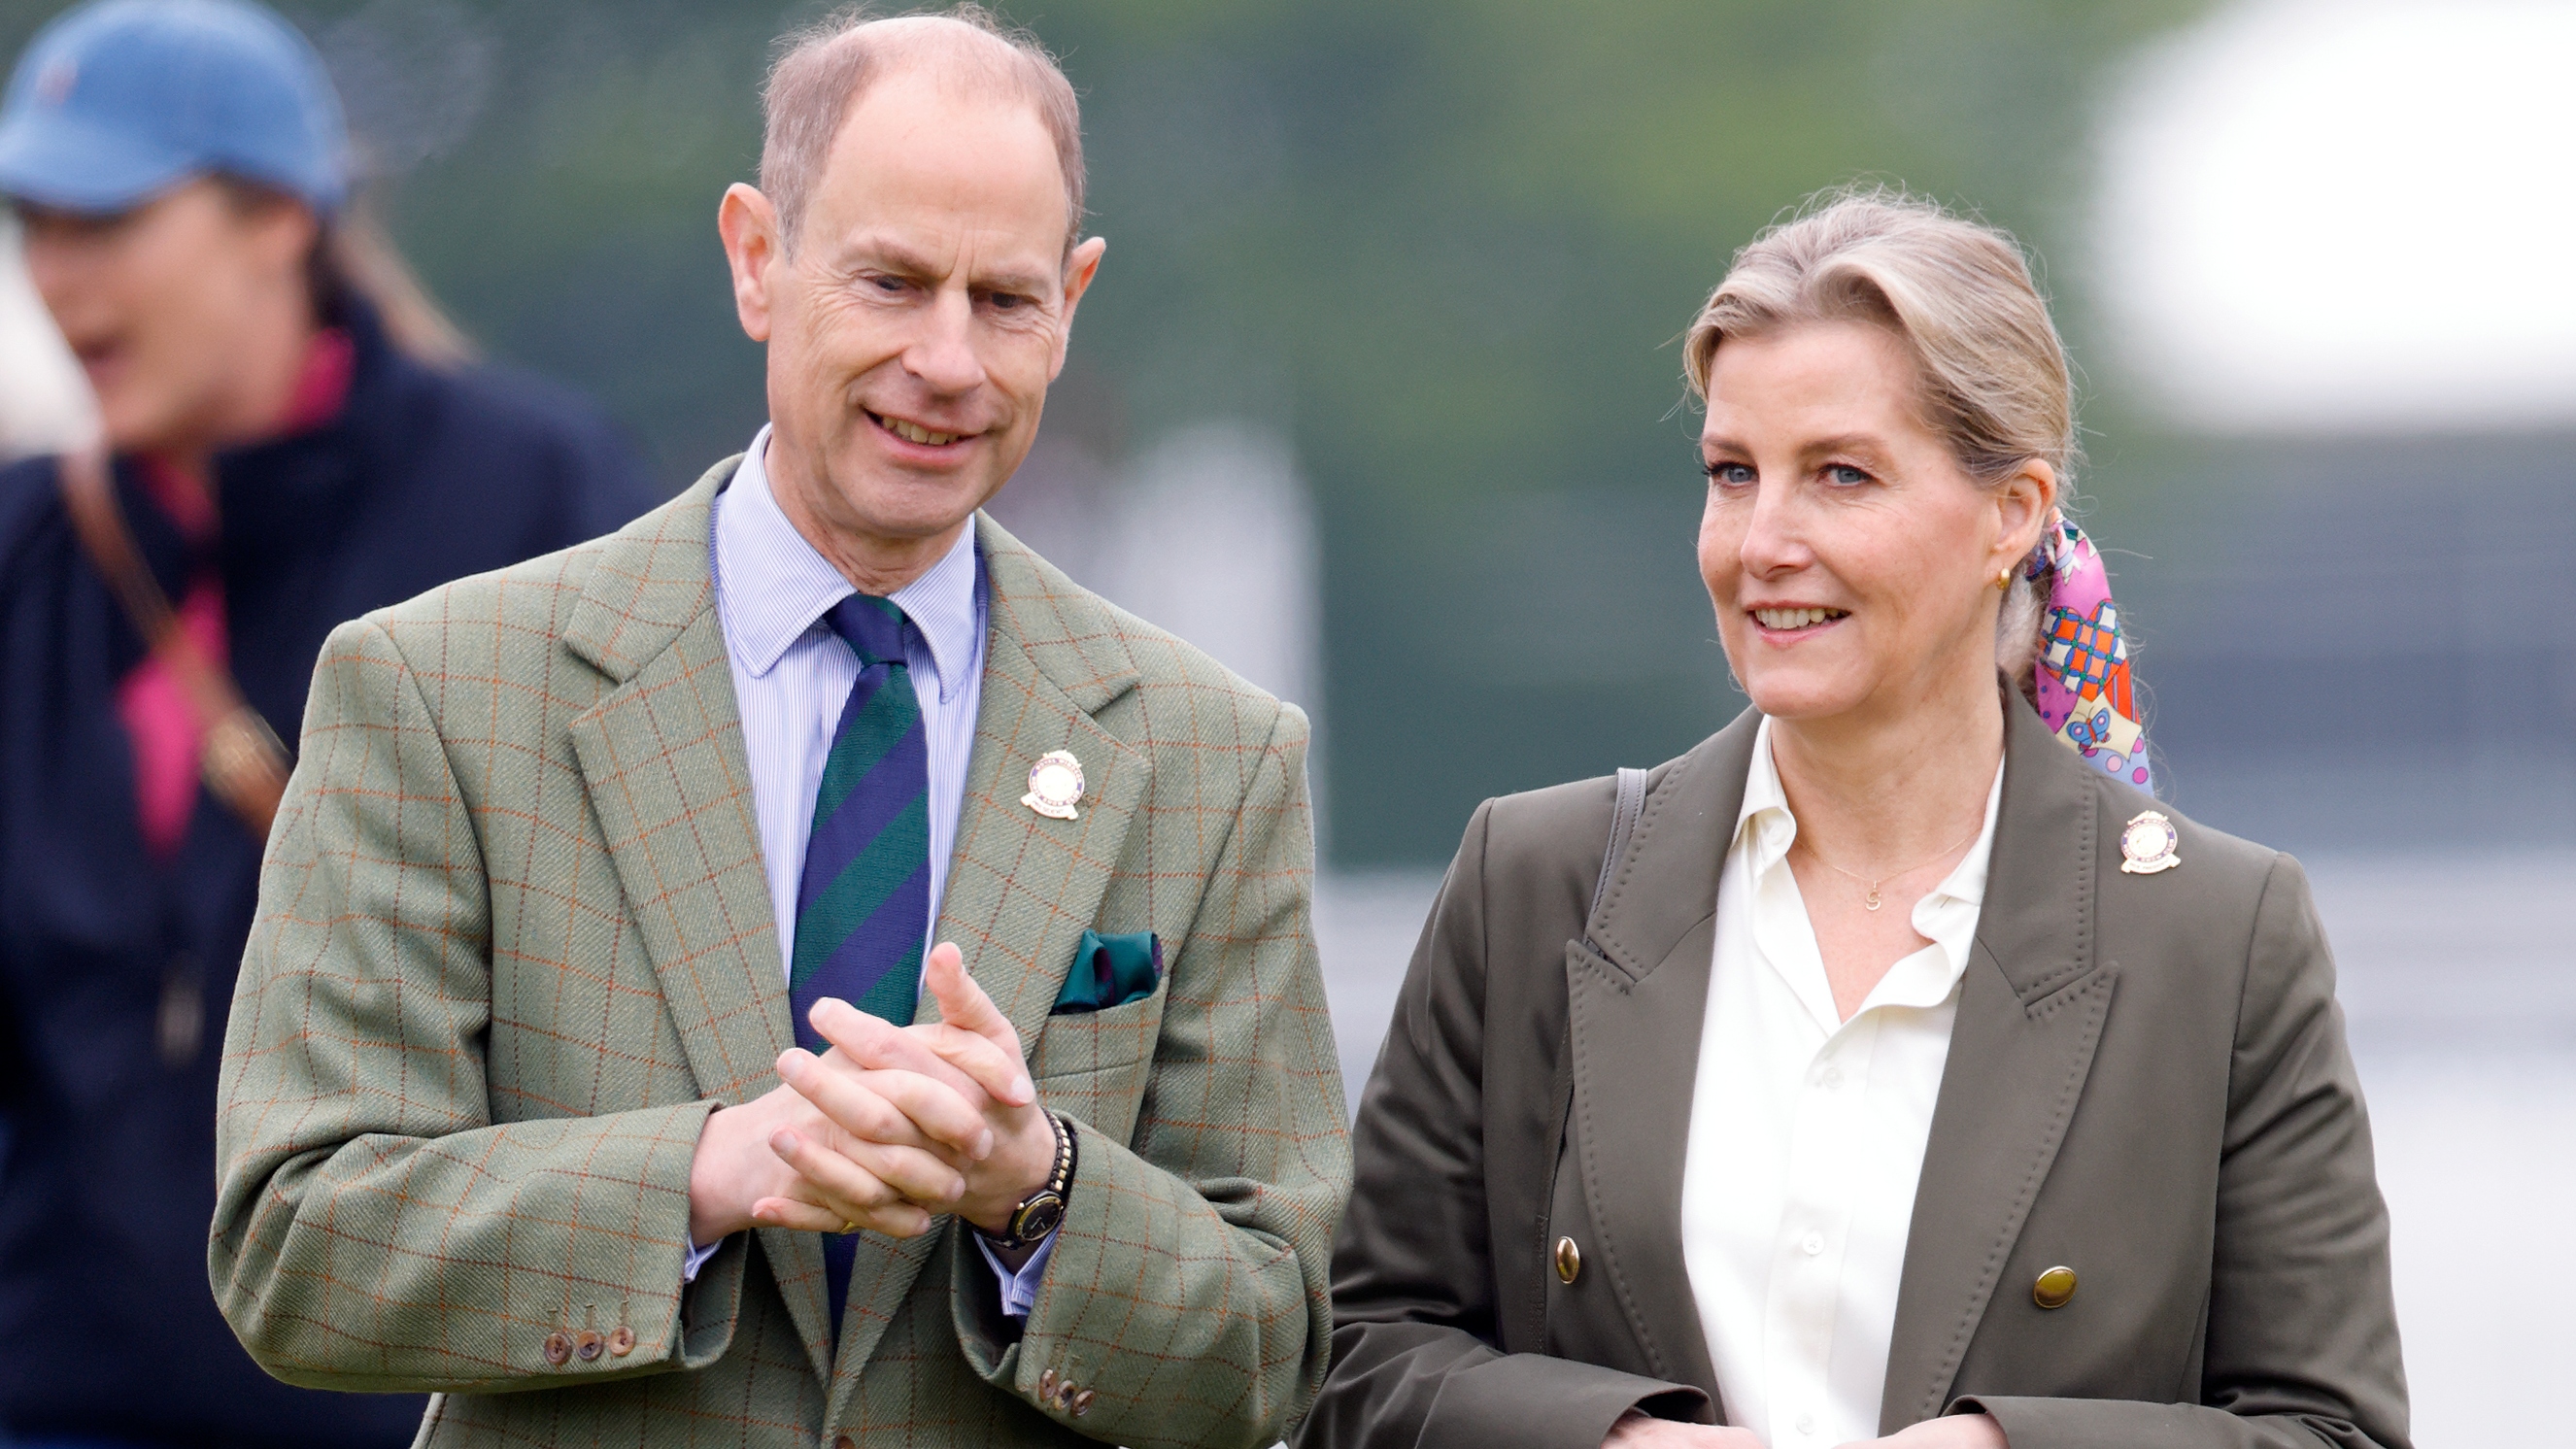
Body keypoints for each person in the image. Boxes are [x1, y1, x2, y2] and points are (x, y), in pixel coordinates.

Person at [209, 8, 1351, 1447]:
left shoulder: (1216, 758)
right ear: (758, 258)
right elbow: (297, 1249)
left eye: (1005, 302)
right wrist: (709, 1169)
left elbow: (1280, 1339)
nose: (949, 362)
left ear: (1075, 296)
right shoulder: (439, 692)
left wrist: (1035, 1182)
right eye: (890, 282)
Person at [1301, 190, 2409, 1449]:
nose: (1764, 541)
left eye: (1841, 475)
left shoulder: (2219, 934)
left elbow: (2335, 1431)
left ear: (2014, 513)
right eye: (1733, 474)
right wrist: (1613, 1443)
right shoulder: (1538, 883)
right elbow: (1354, 1362)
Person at [0, 0, 655, 1444]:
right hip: (58, 1403)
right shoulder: (28, 548)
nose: (56, 276)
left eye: (104, 220)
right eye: (33, 221)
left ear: (282, 220)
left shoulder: (539, 500)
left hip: (426, 1402)